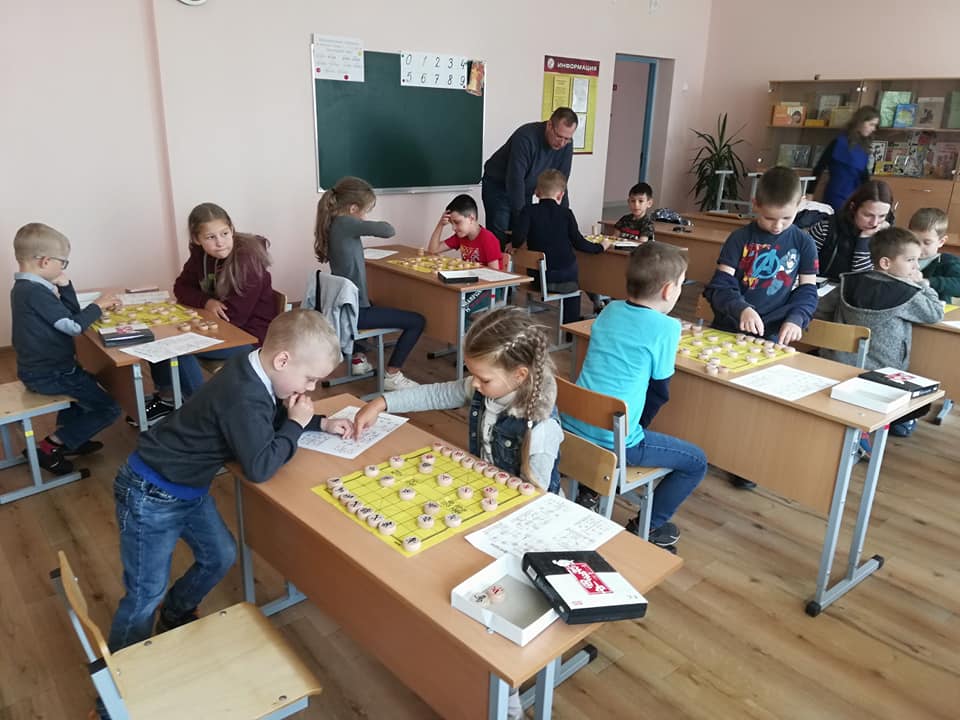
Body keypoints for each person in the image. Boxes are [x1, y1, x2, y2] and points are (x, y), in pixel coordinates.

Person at [106, 310, 348, 655]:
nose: (310, 388)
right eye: (309, 379)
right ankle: (116, 695)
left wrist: (317, 423)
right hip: (152, 491)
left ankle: (175, 614)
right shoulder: (244, 395)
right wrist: (295, 425)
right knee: (145, 593)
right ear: (283, 360)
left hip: (184, 487)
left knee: (219, 555)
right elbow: (260, 466)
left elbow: (271, 419)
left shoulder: (251, 366)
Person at [563, 243, 706, 551]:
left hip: (572, 425)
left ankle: (591, 487)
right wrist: (637, 429)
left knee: (611, 414)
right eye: (681, 284)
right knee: (696, 461)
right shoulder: (667, 328)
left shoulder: (610, 309)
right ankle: (649, 527)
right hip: (615, 439)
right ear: (669, 291)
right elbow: (659, 391)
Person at [351, 307, 562, 493]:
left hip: (517, 511)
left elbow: (534, 496)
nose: (475, 383)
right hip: (486, 488)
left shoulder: (541, 430)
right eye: (473, 375)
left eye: (484, 379)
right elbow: (436, 395)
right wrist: (381, 403)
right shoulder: (490, 388)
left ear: (519, 375)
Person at [141, 203, 278, 425]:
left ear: (232, 230)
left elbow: (234, 319)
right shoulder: (200, 256)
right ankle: (168, 399)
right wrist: (206, 301)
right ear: (197, 239)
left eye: (224, 234)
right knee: (161, 338)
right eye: (210, 237)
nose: (220, 242)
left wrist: (201, 317)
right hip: (218, 329)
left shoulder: (247, 261)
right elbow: (181, 287)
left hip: (248, 337)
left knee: (178, 349)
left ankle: (203, 412)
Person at [10, 223, 120, 474]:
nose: (63, 267)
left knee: (83, 393)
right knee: (109, 407)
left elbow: (69, 315)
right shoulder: (34, 292)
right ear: (45, 261)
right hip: (52, 373)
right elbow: (73, 326)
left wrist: (65, 285)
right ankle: (49, 446)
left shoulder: (26, 288)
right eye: (63, 263)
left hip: (45, 371)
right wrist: (99, 305)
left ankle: (70, 440)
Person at [820, 227, 943, 437]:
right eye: (911, 260)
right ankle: (878, 429)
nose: (916, 266)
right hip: (883, 377)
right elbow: (935, 312)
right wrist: (922, 283)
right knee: (923, 406)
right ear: (886, 263)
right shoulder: (907, 293)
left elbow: (820, 310)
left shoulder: (848, 282)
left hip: (836, 368)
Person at [314, 176, 425, 390]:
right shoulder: (345, 223)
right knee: (417, 320)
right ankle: (392, 375)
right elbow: (388, 230)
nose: (366, 216)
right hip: (356, 312)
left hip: (346, 308)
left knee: (374, 302)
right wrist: (362, 222)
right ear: (354, 208)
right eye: (366, 210)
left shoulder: (333, 224)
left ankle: (358, 359)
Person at [704, 166, 819, 345]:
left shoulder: (804, 243)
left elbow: (808, 290)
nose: (778, 226)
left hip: (772, 333)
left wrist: (797, 316)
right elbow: (720, 285)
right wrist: (741, 309)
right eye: (769, 218)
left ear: (800, 204)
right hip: (729, 327)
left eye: (786, 218)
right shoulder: (739, 238)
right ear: (755, 204)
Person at [513, 169, 611, 325]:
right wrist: (600, 247)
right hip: (563, 281)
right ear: (561, 195)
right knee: (578, 282)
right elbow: (579, 243)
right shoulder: (566, 214)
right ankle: (570, 326)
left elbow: (517, 239)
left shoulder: (528, 211)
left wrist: (513, 245)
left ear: (537, 192)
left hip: (538, 279)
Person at [481, 107, 579, 249]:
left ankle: (518, 270)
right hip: (499, 186)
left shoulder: (566, 146)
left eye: (567, 139)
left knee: (522, 236)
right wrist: (525, 221)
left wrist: (562, 219)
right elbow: (515, 181)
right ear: (550, 125)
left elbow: (560, 183)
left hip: (525, 189)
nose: (562, 143)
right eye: (559, 136)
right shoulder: (526, 137)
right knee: (501, 233)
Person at [426, 194, 505, 318]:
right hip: (468, 285)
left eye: (457, 222)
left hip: (488, 289)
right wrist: (440, 225)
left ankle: (466, 337)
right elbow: (433, 250)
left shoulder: (488, 239)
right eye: (451, 223)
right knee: (442, 299)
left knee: (460, 308)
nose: (453, 228)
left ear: (471, 218)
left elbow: (494, 275)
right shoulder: (461, 237)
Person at [808, 180, 894, 281]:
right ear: (853, 208)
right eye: (868, 215)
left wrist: (864, 240)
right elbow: (801, 266)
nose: (874, 223)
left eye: (882, 216)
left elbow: (865, 281)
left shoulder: (886, 236)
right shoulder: (826, 228)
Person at [811, 106, 880, 211]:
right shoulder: (838, 142)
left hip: (855, 195)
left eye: (875, 125)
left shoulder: (863, 146)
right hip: (836, 194)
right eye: (871, 124)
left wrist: (870, 197)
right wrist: (810, 192)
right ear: (860, 122)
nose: (873, 129)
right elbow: (820, 166)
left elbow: (864, 175)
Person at [909, 207, 960, 301]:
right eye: (914, 240)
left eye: (927, 242)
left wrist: (929, 282)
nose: (919, 247)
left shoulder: (948, 261)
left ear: (941, 241)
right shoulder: (901, 256)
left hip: (935, 312)